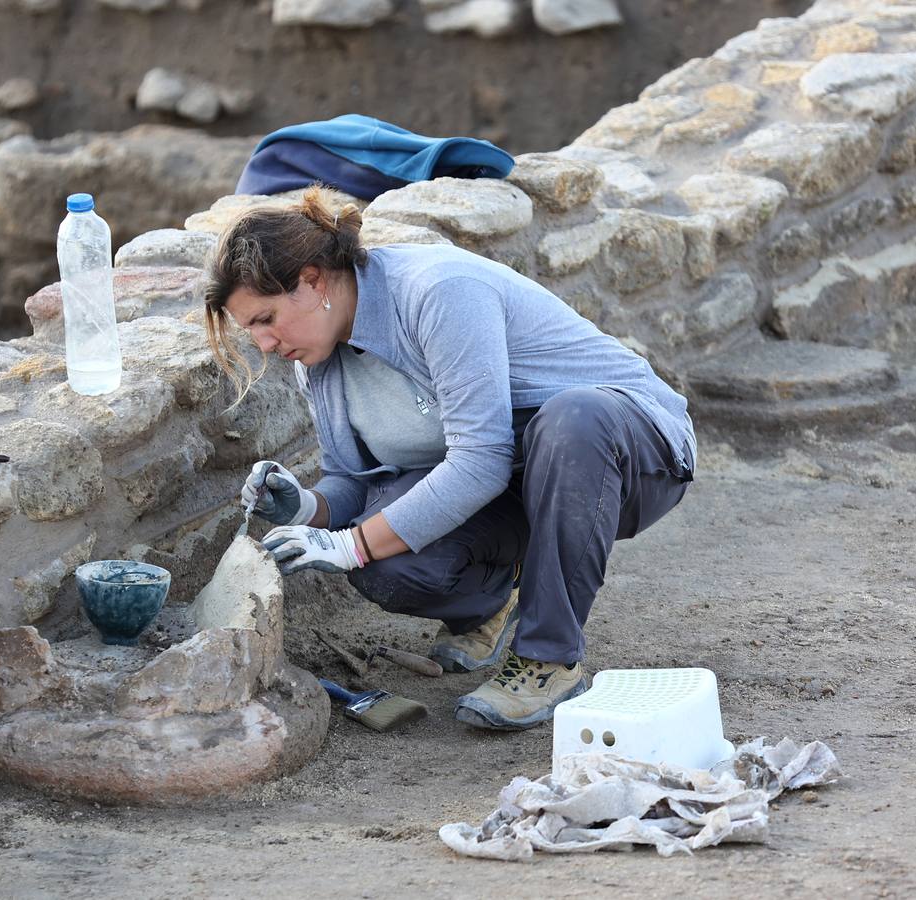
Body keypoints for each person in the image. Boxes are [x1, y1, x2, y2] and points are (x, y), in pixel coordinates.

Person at [203, 186, 696, 731]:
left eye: (265, 318)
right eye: (251, 328)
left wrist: (351, 543)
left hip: (628, 456)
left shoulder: (437, 293)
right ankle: (491, 603)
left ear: (314, 281)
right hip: (515, 481)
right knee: (390, 568)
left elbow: (481, 458)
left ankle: (547, 659)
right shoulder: (318, 362)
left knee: (569, 419)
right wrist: (307, 508)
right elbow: (354, 480)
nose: (265, 343)